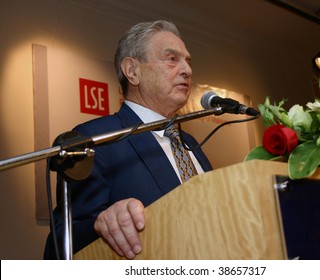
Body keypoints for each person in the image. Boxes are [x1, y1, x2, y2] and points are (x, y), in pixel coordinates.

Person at [44, 20, 213, 260]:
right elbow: (62, 243)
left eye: (187, 60)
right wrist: (100, 225)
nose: (187, 69)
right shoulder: (96, 139)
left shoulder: (190, 142)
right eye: (172, 58)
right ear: (132, 71)